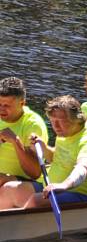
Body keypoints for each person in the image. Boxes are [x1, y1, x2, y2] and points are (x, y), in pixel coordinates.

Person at [3, 95, 87, 208]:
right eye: (53, 121)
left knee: (35, 200)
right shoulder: (66, 131)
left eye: (60, 121)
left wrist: (64, 185)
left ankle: (19, 223)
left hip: (84, 196)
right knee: (10, 188)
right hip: (53, 188)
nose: (56, 126)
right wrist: (44, 148)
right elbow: (57, 157)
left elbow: (83, 169)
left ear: (77, 119)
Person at [0, 77, 48, 208]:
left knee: (8, 188)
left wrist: (15, 142)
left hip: (29, 183)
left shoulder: (33, 125)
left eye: (6, 106)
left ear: (22, 103)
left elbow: (35, 173)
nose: (2, 109)